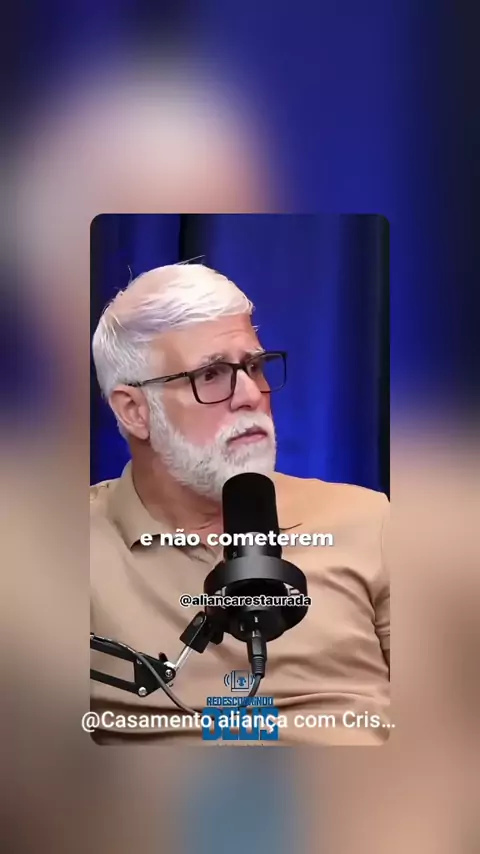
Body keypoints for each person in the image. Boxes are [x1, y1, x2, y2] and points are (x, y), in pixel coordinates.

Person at [90, 263, 390, 745]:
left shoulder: (371, 520)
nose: (251, 395)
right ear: (134, 411)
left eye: (253, 366)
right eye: (210, 375)